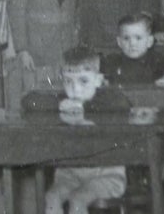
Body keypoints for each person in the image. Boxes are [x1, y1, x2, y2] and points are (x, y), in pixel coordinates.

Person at [21, 46, 131, 214]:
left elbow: (122, 103)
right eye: (68, 81)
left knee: (78, 199)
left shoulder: (107, 99)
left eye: (84, 81)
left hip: (107, 175)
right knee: (52, 198)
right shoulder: (65, 99)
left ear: (98, 80)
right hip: (69, 174)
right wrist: (58, 105)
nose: (75, 89)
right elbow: (29, 101)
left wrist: (84, 106)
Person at [101, 12, 164, 86]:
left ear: (150, 41)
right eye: (126, 38)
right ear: (119, 42)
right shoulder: (112, 61)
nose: (132, 43)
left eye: (138, 38)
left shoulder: (156, 61)